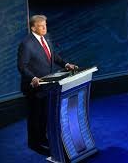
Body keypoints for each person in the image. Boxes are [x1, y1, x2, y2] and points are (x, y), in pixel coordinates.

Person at [17, 15, 76, 155]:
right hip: (34, 87)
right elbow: (22, 66)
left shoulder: (46, 37)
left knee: (44, 114)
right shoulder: (26, 44)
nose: (45, 28)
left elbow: (52, 55)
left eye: (45, 25)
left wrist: (65, 64)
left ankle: (42, 138)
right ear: (33, 27)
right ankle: (34, 143)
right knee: (35, 116)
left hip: (48, 85)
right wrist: (33, 77)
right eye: (41, 26)